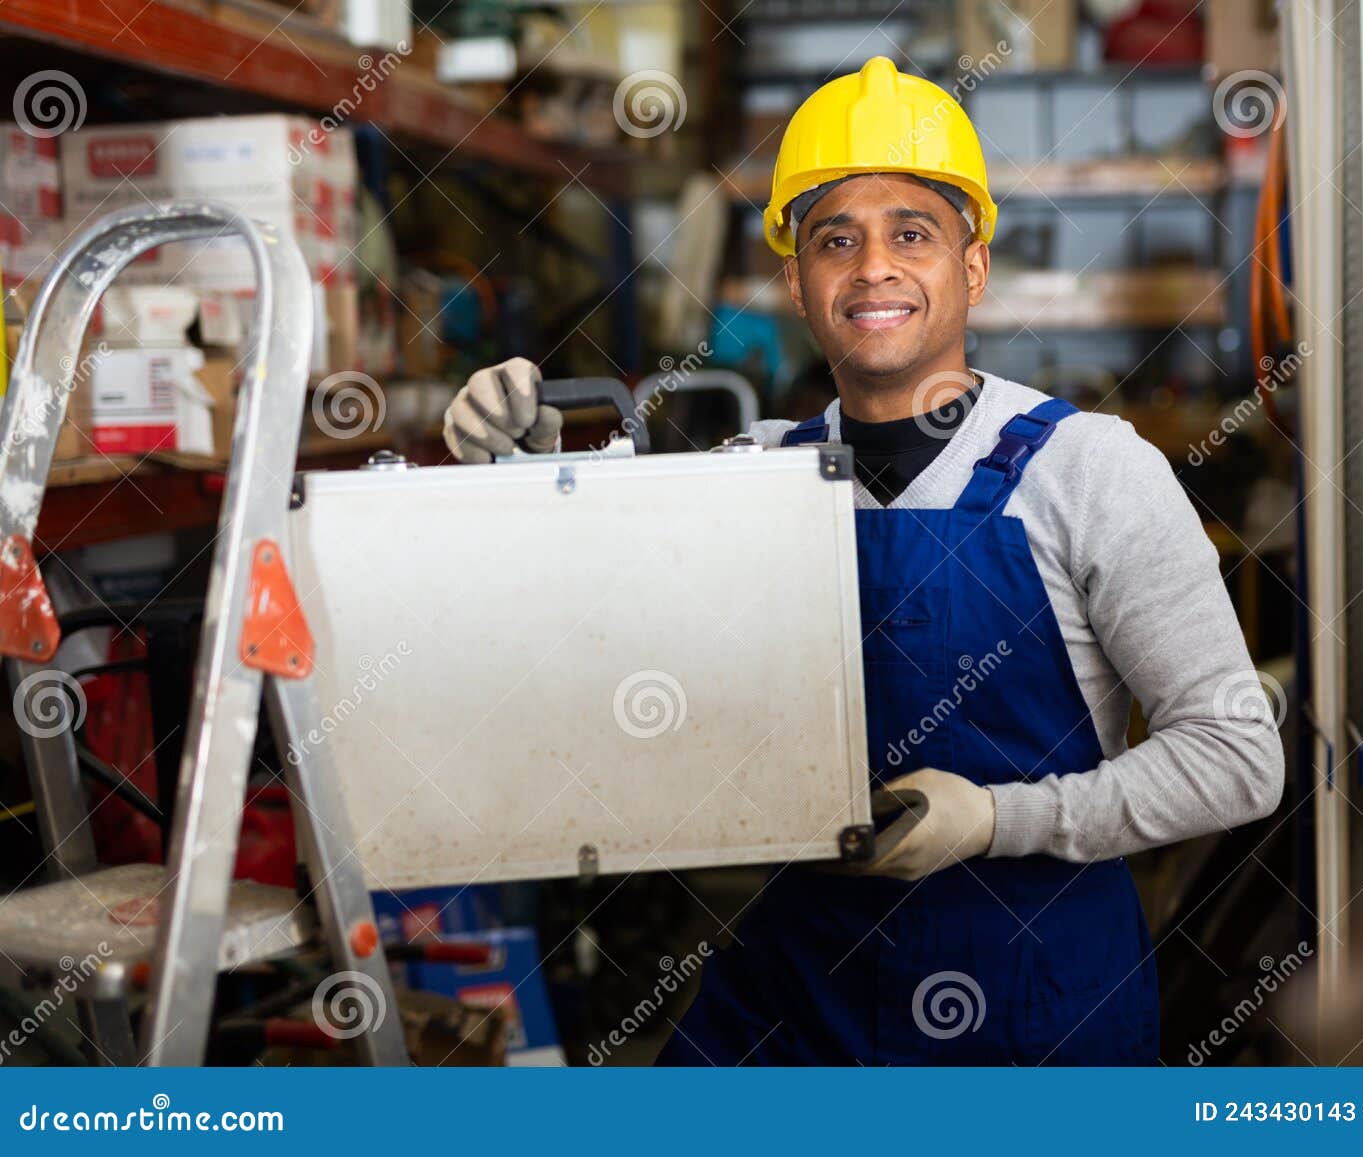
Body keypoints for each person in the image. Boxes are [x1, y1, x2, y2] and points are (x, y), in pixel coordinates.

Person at [441, 56, 1284, 1065]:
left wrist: (993, 820)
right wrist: (523, 470)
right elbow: (594, 638)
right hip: (802, 989)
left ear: (971, 267)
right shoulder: (749, 474)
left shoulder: (1087, 469)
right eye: (833, 238)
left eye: (911, 233)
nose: (871, 265)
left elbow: (1239, 758)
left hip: (1031, 1001)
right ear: (797, 280)